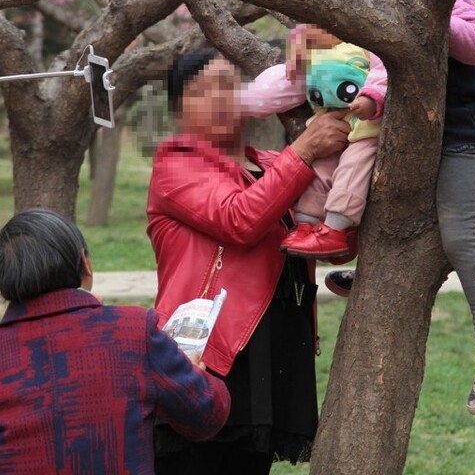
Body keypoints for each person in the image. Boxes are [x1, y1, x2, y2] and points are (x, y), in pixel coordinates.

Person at [321, 0, 475, 415]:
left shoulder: (447, 0)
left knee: (457, 233)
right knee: (374, 184)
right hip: (415, 132)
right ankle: (370, 263)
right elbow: (382, 72)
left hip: (462, 136)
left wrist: (431, 23)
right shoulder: (378, 11)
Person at [148, 50, 351, 474]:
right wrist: (306, 148)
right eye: (205, 91)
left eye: (229, 85)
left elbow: (327, 237)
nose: (222, 98)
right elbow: (239, 219)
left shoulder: (272, 164)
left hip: (271, 348)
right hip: (209, 354)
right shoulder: (176, 163)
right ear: (179, 109)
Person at [0, 209, 230, 475]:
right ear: (85, 263)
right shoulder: (132, 331)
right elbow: (207, 415)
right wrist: (193, 374)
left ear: (3, 282)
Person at [238, 35, 387, 260]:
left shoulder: (369, 45)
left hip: (365, 125)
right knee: (320, 169)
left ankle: (336, 226)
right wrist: (295, 62)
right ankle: (306, 223)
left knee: (353, 165)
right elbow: (266, 94)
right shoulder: (313, 53)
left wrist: (372, 97)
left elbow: (383, 73)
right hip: (333, 121)